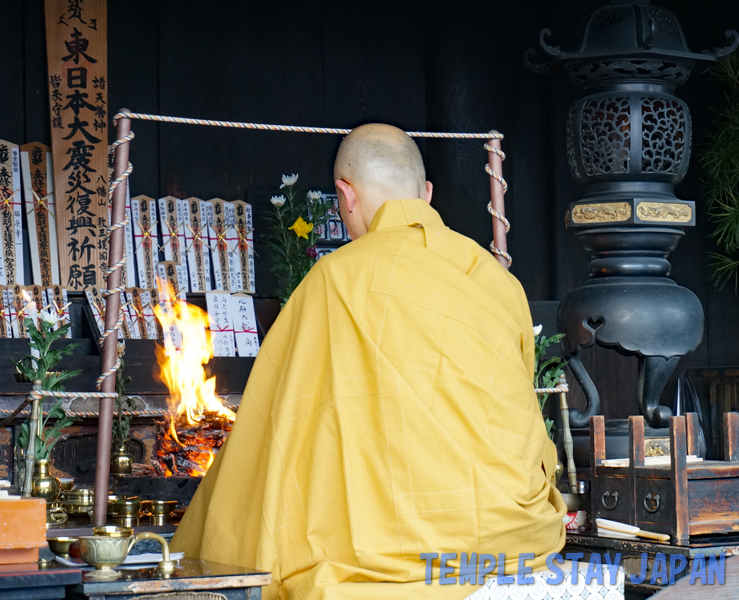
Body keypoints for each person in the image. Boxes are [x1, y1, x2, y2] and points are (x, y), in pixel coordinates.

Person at [171, 123, 567, 599]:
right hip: (515, 542)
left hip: (392, 559)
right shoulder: (498, 281)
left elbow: (273, 428)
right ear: (427, 193)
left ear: (346, 194)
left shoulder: (336, 280)